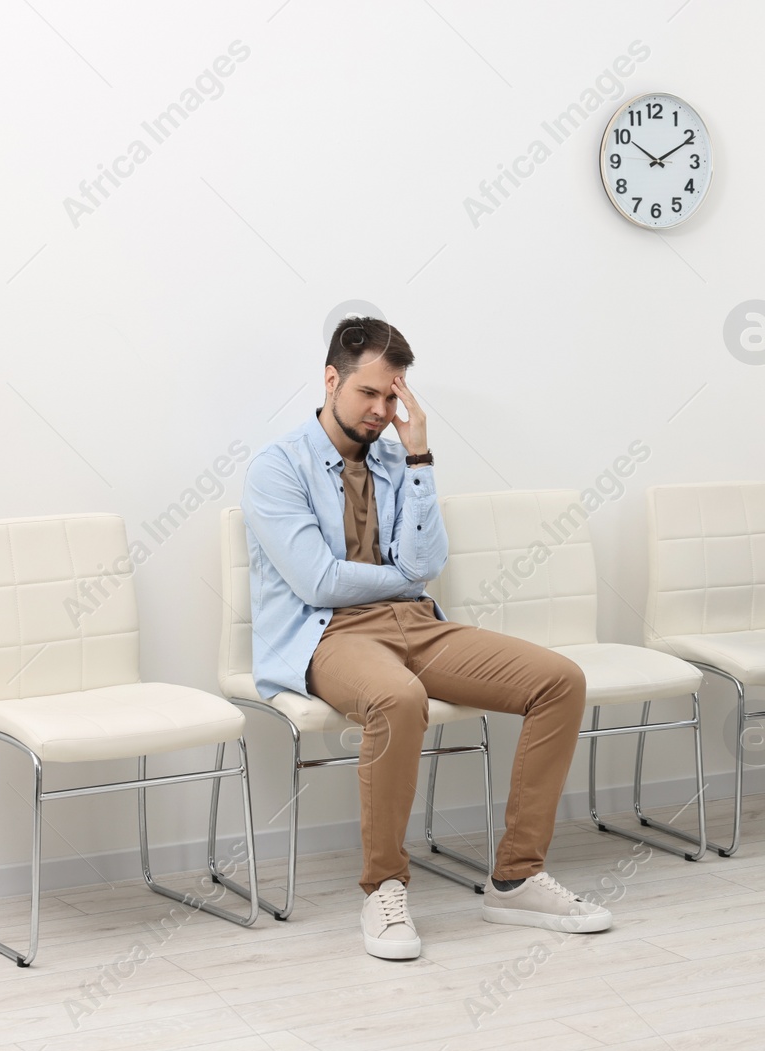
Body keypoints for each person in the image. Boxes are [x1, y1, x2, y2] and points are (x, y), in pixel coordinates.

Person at [242, 317, 610, 959]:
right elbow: (317, 582)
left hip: (416, 621)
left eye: (394, 396)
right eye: (369, 394)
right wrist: (400, 576)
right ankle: (383, 887)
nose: (383, 411)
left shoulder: (395, 455)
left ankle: (516, 878)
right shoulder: (277, 467)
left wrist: (419, 456)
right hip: (326, 636)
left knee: (559, 681)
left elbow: (428, 560)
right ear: (331, 380)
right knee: (398, 699)